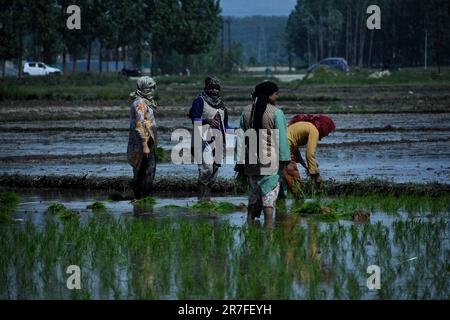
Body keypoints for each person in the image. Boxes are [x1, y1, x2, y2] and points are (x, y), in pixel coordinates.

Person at [236, 81, 291, 225]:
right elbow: (282, 139)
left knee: (254, 194)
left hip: (251, 158)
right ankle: (268, 228)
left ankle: (250, 225)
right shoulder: (276, 112)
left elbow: (240, 138)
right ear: (269, 95)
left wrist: (239, 160)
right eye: (276, 93)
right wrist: (285, 161)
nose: (277, 96)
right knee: (269, 196)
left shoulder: (246, 111)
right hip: (270, 159)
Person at [188, 76, 232, 201]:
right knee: (206, 169)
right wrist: (207, 120)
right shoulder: (200, 101)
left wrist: (238, 131)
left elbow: (226, 125)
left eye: (216, 88)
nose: (214, 91)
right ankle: (201, 201)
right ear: (206, 88)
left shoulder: (222, 105)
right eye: (211, 88)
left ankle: (207, 200)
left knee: (215, 171)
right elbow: (194, 119)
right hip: (201, 139)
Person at [284, 114, 336, 199]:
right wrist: (315, 174)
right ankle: (299, 199)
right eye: (328, 132)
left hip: (280, 144)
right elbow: (310, 154)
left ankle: (284, 200)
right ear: (324, 128)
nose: (326, 135)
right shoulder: (314, 130)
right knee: (294, 177)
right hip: (284, 147)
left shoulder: (306, 125)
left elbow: (293, 144)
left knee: (284, 176)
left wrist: (303, 163)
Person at [127, 76, 158, 199]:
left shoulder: (146, 102)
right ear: (143, 88)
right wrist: (145, 146)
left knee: (149, 170)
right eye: (149, 88)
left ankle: (144, 201)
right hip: (142, 142)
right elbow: (140, 125)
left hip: (149, 139)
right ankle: (142, 199)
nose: (151, 90)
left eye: (152, 88)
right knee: (143, 171)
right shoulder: (139, 103)